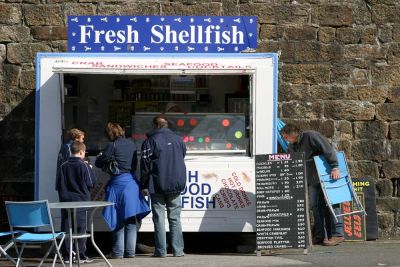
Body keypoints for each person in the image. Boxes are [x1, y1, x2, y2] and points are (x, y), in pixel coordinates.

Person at [280, 123, 344, 246]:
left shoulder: (311, 136)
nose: (285, 139)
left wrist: (335, 167)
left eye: (286, 136)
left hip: (327, 175)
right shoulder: (291, 147)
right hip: (312, 180)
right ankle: (320, 235)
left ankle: (338, 234)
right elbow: (292, 163)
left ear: (292, 134)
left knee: (332, 203)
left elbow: (328, 150)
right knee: (315, 207)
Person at [95, 122, 151, 259]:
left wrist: (100, 157)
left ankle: (118, 252)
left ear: (110, 133)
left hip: (118, 184)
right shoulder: (131, 144)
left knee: (118, 218)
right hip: (131, 183)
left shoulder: (111, 145)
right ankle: (130, 253)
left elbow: (99, 163)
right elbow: (134, 165)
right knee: (131, 219)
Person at [140, 115, 186, 257]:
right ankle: (178, 250)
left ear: (155, 126)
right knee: (175, 218)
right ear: (166, 125)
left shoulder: (150, 141)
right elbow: (182, 155)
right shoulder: (179, 139)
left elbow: (145, 165)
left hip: (157, 184)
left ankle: (161, 251)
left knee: (159, 219)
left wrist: (143, 184)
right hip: (176, 183)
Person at [56, 141, 97, 263]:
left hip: (65, 201)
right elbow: (91, 182)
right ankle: (81, 254)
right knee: (81, 229)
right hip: (81, 202)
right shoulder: (84, 166)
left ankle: (67, 255)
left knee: (67, 228)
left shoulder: (63, 165)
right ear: (81, 152)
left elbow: (59, 184)